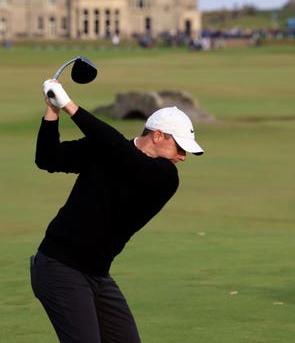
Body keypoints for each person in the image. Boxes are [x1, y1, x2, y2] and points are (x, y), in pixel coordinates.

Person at [30, 78, 204, 343]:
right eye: (180, 147)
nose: (182, 156)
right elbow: (47, 157)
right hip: (58, 267)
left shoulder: (165, 177)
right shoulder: (106, 150)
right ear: (157, 136)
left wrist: (69, 105)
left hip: (96, 275)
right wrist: (52, 110)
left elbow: (121, 153)